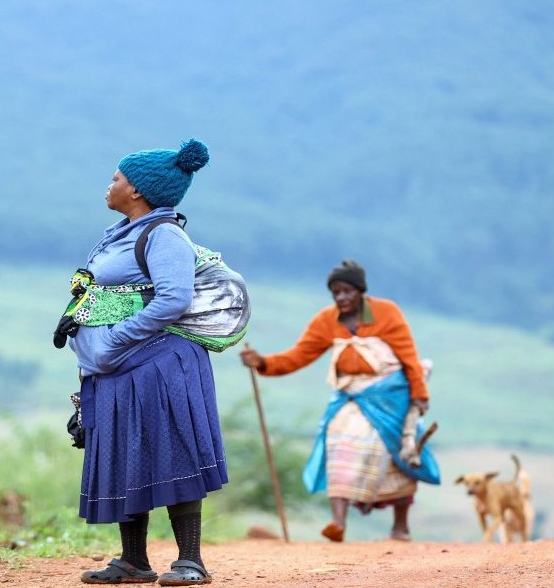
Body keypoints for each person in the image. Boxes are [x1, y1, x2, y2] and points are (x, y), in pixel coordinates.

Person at [67, 139, 226, 586]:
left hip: (160, 363)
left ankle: (190, 560)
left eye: (117, 178)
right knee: (126, 451)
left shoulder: (165, 235)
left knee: (174, 452)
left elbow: (174, 297)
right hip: (118, 369)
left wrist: (117, 337)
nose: (110, 185)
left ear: (137, 191)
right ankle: (133, 560)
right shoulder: (123, 233)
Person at [240, 260, 439, 542]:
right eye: (336, 293)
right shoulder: (326, 321)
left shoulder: (387, 313)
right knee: (338, 439)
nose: (341, 298)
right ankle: (338, 522)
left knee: (397, 451)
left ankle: (400, 527)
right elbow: (298, 356)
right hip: (351, 395)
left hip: (391, 397)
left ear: (360, 291)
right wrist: (263, 362)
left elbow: (409, 358)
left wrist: (419, 397)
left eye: (347, 291)